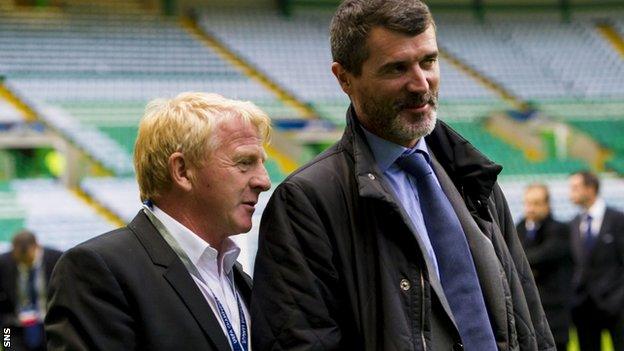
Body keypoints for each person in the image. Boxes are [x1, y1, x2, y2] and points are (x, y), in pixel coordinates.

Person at [251, 1, 554, 350]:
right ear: (344, 78)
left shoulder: (473, 176)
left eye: (429, 61)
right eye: (397, 68)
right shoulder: (306, 202)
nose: (420, 83)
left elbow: (528, 319)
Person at [45, 92, 272, 350]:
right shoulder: (97, 271)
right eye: (244, 163)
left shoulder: (236, 276)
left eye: (261, 164)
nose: (263, 181)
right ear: (182, 171)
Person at [568, 171, 624, 351]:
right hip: (584, 307)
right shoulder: (574, 223)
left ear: (590, 189)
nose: (571, 193)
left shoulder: (617, 220)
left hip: (617, 306)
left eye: (575, 188)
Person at [516, 184, 573, 351]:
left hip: (554, 312)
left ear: (547, 204)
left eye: (536, 203)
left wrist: (524, 262)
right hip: (527, 310)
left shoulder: (560, 230)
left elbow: (545, 255)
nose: (531, 208)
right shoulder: (518, 229)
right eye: (528, 203)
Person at [0, 230, 62, 351]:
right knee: (7, 347)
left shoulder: (57, 259)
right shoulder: (3, 263)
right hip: (11, 326)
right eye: (18, 258)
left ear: (36, 247)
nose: (23, 262)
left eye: (27, 258)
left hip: (49, 323)